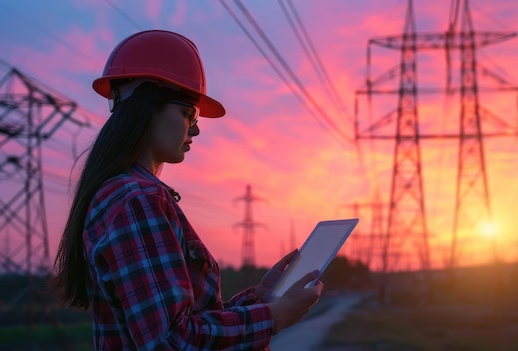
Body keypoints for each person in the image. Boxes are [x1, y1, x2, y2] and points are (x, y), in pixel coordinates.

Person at [50, 30, 323, 350]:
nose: (195, 127)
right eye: (187, 113)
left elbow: (180, 323)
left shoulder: (122, 195)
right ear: (147, 107)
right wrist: (274, 317)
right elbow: (172, 340)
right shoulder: (138, 202)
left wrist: (259, 300)